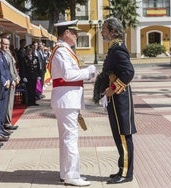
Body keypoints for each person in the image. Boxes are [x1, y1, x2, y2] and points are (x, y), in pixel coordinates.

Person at [49, 20, 96, 186]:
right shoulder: (62, 50)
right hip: (66, 99)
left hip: (67, 99)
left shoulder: (64, 49)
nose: (76, 35)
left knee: (66, 138)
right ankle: (71, 176)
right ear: (66, 33)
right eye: (74, 32)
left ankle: (67, 173)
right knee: (70, 138)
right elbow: (68, 75)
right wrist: (88, 72)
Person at [94, 17, 136, 184]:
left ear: (112, 31)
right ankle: (122, 168)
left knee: (124, 135)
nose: (102, 31)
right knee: (119, 135)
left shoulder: (117, 49)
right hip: (116, 98)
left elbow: (128, 72)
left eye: (104, 29)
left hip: (121, 99)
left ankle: (126, 173)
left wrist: (112, 89)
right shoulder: (113, 48)